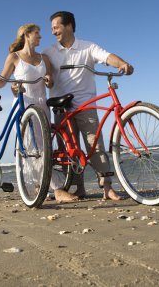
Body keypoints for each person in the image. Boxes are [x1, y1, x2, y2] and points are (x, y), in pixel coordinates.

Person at [0, 23, 78, 202]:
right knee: (33, 147)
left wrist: (49, 81)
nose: (40, 36)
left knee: (43, 148)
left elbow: (51, 83)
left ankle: (41, 187)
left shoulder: (44, 58)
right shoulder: (14, 57)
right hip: (24, 105)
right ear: (26, 35)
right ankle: (57, 190)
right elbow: (2, 82)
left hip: (41, 105)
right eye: (37, 33)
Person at [43, 11, 134, 201]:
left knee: (96, 145)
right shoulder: (49, 52)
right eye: (52, 28)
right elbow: (43, 71)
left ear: (69, 26)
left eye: (56, 27)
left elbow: (107, 57)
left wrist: (123, 63)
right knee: (68, 151)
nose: (53, 32)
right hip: (61, 108)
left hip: (86, 104)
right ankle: (78, 188)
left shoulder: (87, 47)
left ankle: (107, 187)